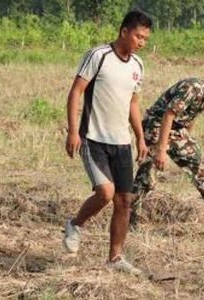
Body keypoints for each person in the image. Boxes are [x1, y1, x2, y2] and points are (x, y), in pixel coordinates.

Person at [63, 11, 152, 275]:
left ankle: (115, 258)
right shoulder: (99, 56)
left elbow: (133, 103)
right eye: (138, 36)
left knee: (124, 200)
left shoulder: (138, 65)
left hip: (121, 142)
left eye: (145, 38)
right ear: (124, 31)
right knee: (105, 193)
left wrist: (139, 136)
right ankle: (75, 224)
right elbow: (76, 91)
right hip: (93, 138)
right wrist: (72, 132)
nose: (141, 42)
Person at [129, 65, 204, 233]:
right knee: (147, 177)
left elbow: (191, 116)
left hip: (176, 130)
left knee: (200, 167)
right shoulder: (193, 89)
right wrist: (162, 150)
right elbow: (168, 115)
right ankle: (127, 216)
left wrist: (187, 140)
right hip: (156, 125)